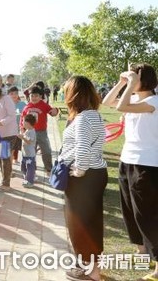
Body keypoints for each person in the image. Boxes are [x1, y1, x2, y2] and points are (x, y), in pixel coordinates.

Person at [102, 64, 158, 280]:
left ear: (143, 80)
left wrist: (131, 82)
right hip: (127, 161)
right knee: (130, 211)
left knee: (146, 214)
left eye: (135, 78)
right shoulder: (134, 100)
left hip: (147, 165)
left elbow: (120, 107)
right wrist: (122, 82)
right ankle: (141, 252)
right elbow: (107, 102)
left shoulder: (153, 102)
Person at [58, 76, 107, 281]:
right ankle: (91, 268)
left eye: (66, 91)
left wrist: (78, 169)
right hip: (95, 175)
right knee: (91, 221)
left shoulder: (83, 118)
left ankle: (90, 272)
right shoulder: (93, 115)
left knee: (79, 223)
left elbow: (83, 148)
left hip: (84, 177)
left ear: (74, 94)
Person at [20, 86, 59, 176]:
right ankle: (31, 170)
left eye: (36, 96)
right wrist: (22, 129)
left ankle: (49, 169)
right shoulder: (27, 107)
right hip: (29, 133)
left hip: (41, 132)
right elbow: (22, 119)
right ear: (29, 96)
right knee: (30, 152)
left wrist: (55, 111)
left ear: (41, 96)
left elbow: (52, 112)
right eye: (32, 96)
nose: (34, 98)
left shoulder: (44, 105)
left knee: (46, 151)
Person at [8, 86, 26, 164]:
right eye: (11, 94)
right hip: (9, 130)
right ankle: (10, 161)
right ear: (8, 95)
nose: (14, 95)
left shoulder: (22, 104)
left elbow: (26, 115)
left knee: (17, 145)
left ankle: (15, 159)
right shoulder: (6, 105)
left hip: (19, 129)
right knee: (11, 147)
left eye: (15, 93)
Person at [18, 114, 37, 188]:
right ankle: (28, 178)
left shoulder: (32, 131)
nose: (22, 123)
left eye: (23, 122)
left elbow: (29, 141)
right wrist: (22, 133)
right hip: (25, 154)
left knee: (29, 168)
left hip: (30, 155)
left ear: (28, 123)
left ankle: (30, 181)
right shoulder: (28, 130)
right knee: (23, 167)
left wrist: (22, 137)